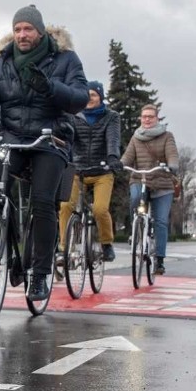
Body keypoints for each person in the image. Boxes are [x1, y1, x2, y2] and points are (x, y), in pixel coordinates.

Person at [0, 4, 89, 301]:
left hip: (50, 139)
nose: (22, 34)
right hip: (13, 138)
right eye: (17, 29)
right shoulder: (0, 63)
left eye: (28, 29)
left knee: (43, 202)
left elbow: (80, 99)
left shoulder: (65, 59)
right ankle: (14, 254)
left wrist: (50, 88)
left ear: (40, 31)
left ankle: (40, 275)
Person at [58, 80, 122, 263]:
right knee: (65, 206)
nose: (89, 98)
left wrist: (112, 157)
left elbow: (113, 138)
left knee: (100, 209)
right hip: (77, 170)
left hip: (102, 171)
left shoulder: (111, 116)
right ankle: (64, 248)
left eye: (93, 94)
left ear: (100, 96)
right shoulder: (74, 116)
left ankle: (106, 243)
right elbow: (69, 139)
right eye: (87, 95)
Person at [120, 103, 179, 275]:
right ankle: (135, 230)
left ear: (157, 118)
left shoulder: (167, 136)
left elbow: (172, 154)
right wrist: (120, 164)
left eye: (150, 116)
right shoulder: (136, 137)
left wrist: (172, 165)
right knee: (135, 199)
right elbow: (128, 157)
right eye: (144, 116)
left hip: (162, 182)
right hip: (140, 178)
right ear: (141, 118)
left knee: (160, 221)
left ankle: (159, 260)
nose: (146, 119)